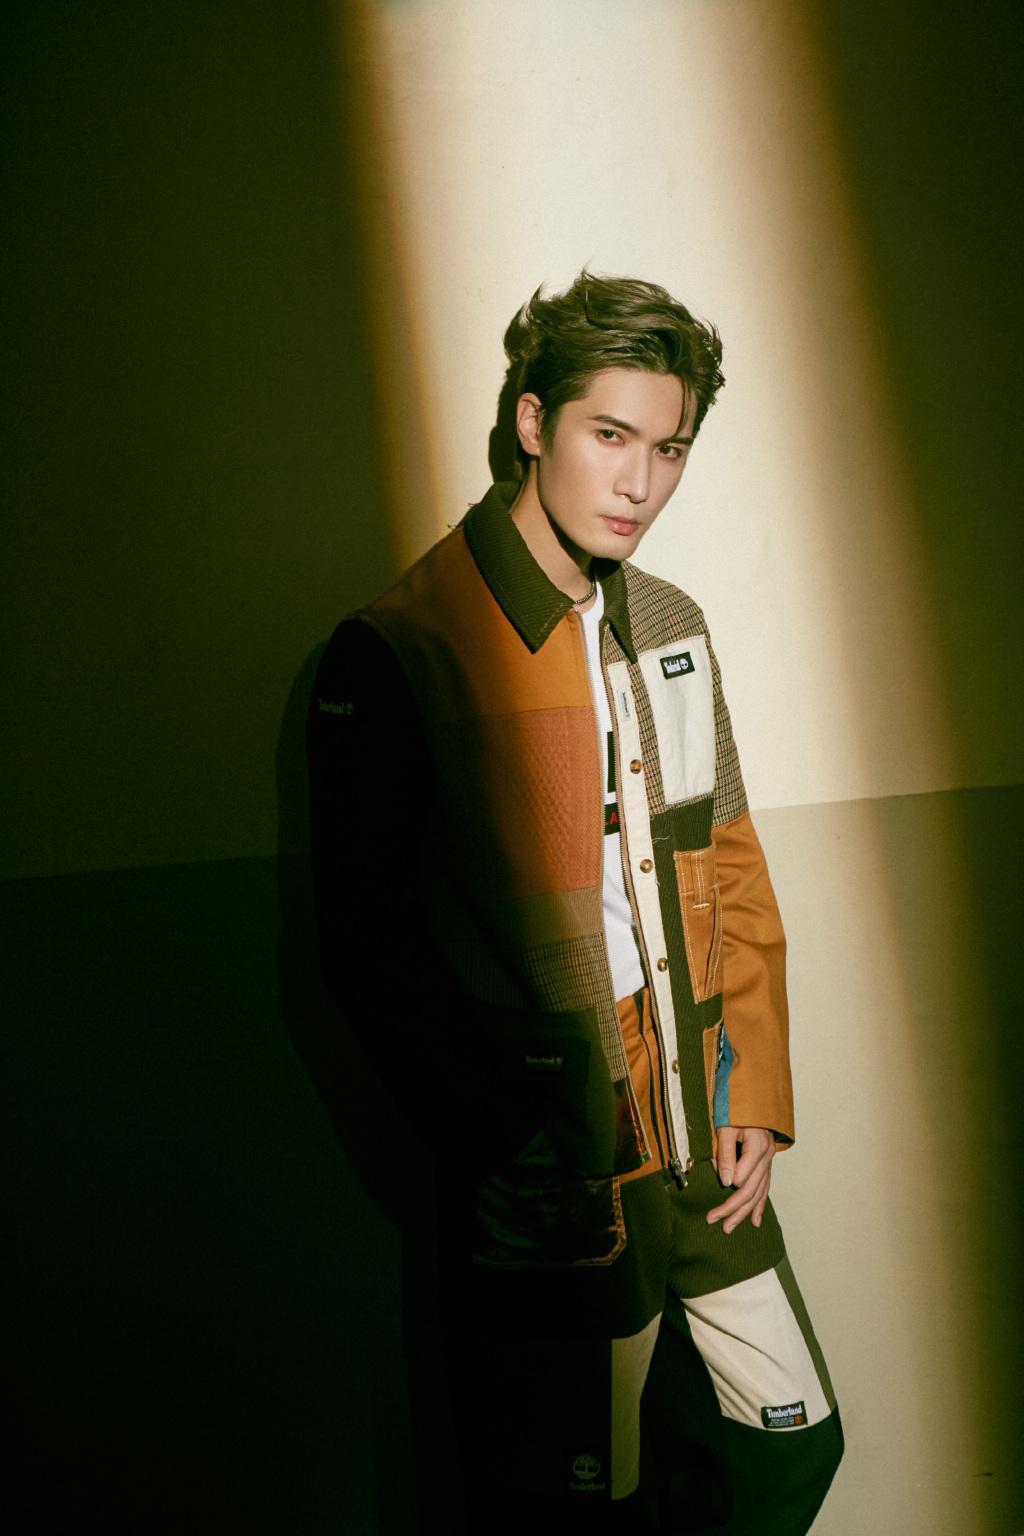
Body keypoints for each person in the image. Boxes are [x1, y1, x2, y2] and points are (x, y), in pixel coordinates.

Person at [306, 271, 844, 1533]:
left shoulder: (670, 621)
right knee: (580, 1487)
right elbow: (367, 953)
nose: (640, 483)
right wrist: (507, 1140)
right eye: (611, 435)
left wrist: (753, 1091)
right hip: (556, 1148)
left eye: (670, 449)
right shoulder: (401, 647)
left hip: (696, 1116)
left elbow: (728, 861)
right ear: (534, 422)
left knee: (789, 1442)